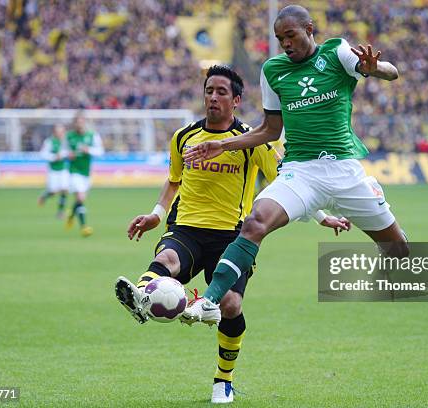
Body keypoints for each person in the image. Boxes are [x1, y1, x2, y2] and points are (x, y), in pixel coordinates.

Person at [114, 65, 349, 404]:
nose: (213, 97)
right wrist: (156, 213)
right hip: (187, 228)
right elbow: (174, 180)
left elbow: (288, 182)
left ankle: (223, 379)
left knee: (230, 304)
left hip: (232, 237)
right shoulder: (184, 137)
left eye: (221, 92)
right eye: (209, 90)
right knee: (166, 259)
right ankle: (140, 296)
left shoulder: (253, 141)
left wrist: (322, 217)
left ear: (236, 100)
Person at [181, 5, 408, 325]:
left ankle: (371, 189)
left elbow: (392, 72)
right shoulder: (274, 70)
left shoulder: (336, 52)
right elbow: (269, 130)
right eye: (279, 38)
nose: (285, 43)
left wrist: (374, 68)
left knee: (401, 253)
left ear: (309, 29)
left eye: (291, 35)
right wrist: (221, 143)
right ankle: (209, 300)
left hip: (344, 169)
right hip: (300, 171)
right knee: (255, 222)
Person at [65, 112, 104, 237]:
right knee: (81, 198)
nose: (80, 125)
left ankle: (71, 213)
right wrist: (67, 155)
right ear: (75, 124)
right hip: (74, 171)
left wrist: (89, 150)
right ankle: (84, 227)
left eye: (82, 122)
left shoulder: (92, 135)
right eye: (77, 122)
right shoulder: (69, 136)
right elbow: (62, 150)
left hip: (86, 172)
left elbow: (100, 151)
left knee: (80, 199)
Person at [37, 124, 69, 218]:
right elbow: (43, 154)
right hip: (53, 170)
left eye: (62, 132)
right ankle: (44, 196)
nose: (60, 134)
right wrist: (54, 157)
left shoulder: (66, 142)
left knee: (64, 189)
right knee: (53, 191)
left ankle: (60, 212)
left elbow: (70, 152)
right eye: (58, 132)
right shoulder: (49, 142)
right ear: (54, 132)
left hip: (64, 169)